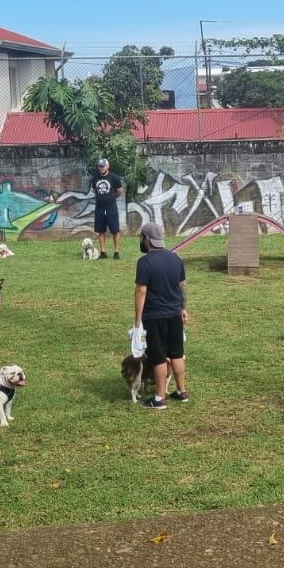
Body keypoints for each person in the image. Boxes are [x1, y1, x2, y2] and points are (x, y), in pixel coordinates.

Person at [133, 222, 189, 409]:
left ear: (147, 239)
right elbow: (182, 286)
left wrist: (138, 320)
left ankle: (159, 398)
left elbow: (141, 291)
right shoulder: (175, 258)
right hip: (174, 314)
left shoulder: (144, 262)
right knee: (177, 354)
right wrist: (183, 308)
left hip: (155, 316)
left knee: (158, 357)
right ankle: (181, 392)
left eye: (141, 237)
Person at [91, 158, 124, 260]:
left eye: (103, 166)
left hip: (111, 208)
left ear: (107, 166)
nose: (101, 168)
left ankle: (116, 252)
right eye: (99, 166)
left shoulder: (114, 177)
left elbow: (119, 191)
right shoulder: (95, 178)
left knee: (115, 230)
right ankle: (103, 252)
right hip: (99, 208)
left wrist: (111, 198)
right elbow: (95, 190)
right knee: (101, 231)